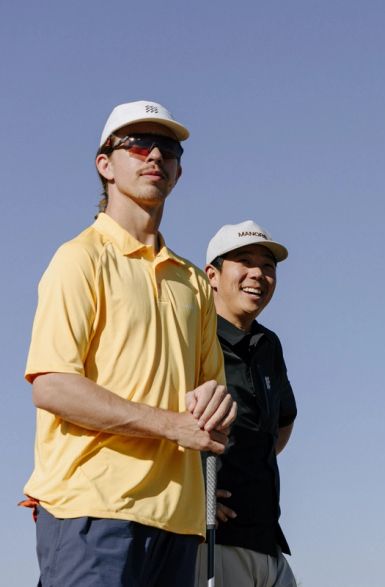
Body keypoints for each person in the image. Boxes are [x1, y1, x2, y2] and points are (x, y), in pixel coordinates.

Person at [22, 100, 237, 587]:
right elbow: (52, 385)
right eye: (138, 145)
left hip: (177, 521)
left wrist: (217, 409)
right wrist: (171, 425)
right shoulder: (79, 259)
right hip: (92, 511)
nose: (154, 156)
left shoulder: (193, 282)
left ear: (179, 172)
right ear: (106, 165)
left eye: (168, 149)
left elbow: (214, 394)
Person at [195, 220, 298, 587]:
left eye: (268, 266)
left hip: (268, 539)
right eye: (245, 261)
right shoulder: (190, 337)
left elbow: (283, 419)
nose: (258, 274)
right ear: (212, 275)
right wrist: (193, 492)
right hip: (211, 538)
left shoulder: (269, 344)